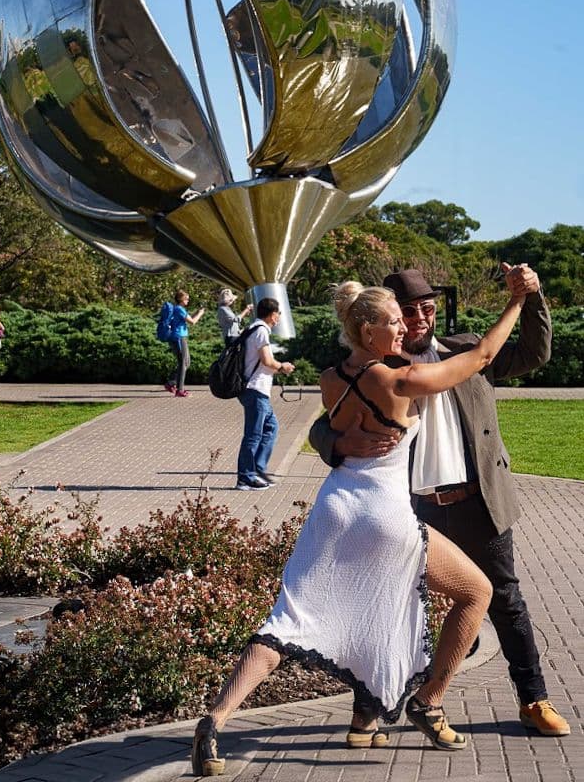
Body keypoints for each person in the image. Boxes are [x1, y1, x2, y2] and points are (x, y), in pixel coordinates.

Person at [191, 281, 527, 775]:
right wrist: (516, 303)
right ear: (369, 331)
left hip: (333, 508)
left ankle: (214, 722)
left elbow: (330, 428)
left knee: (288, 620)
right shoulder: (398, 381)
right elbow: (480, 357)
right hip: (382, 514)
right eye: (394, 321)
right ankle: (428, 699)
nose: (405, 327)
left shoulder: (332, 377)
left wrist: (342, 440)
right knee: (477, 592)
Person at [310, 265, 570, 741]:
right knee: (392, 604)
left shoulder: (464, 349)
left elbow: (534, 352)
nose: (419, 319)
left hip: (476, 501)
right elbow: (322, 423)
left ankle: (533, 700)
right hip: (410, 507)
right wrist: (338, 445)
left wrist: (530, 297)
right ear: (387, 316)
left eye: (427, 309)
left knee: (505, 601)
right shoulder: (375, 368)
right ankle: (371, 710)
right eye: (407, 312)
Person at [235, 297, 294, 491]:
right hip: (255, 389)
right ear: (272, 314)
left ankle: (257, 469)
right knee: (253, 435)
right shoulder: (260, 331)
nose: (278, 318)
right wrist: (282, 366)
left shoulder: (254, 328)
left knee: (271, 428)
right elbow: (267, 361)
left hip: (256, 390)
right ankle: (245, 477)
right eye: (278, 314)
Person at [164, 289, 204, 398]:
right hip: (179, 337)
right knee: (183, 363)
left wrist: (196, 312)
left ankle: (171, 382)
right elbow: (193, 322)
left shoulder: (179, 309)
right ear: (181, 299)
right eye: (186, 298)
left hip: (180, 337)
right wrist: (200, 314)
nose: (188, 300)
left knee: (187, 362)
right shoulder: (179, 309)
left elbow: (188, 319)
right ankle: (179, 390)